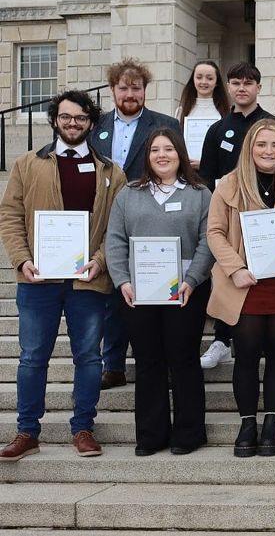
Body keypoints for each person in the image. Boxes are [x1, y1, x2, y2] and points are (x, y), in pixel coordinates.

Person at [0, 90, 124, 461]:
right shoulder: (27, 164)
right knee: (33, 357)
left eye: (81, 118)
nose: (73, 124)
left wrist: (101, 261)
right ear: (55, 119)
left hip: (88, 280)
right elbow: (10, 217)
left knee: (88, 357)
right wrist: (22, 260)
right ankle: (27, 432)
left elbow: (116, 228)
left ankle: (83, 427)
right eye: (67, 117)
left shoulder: (110, 171)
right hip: (38, 280)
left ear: (91, 123)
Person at [207, 119, 275, 458]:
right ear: (250, 148)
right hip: (246, 284)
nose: (268, 151)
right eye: (261, 145)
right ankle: (247, 423)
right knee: (247, 355)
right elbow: (214, 233)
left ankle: (271, 422)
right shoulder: (228, 185)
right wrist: (235, 268)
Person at [105, 127, 214, 456]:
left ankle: (188, 433)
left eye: (168, 149)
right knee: (148, 361)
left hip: (185, 291)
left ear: (180, 154)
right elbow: (115, 240)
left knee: (183, 360)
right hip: (139, 292)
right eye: (155, 150)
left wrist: (192, 279)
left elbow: (208, 241)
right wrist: (123, 280)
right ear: (147, 157)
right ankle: (151, 435)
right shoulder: (129, 194)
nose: (162, 155)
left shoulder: (199, 194)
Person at [90, 58, 183, 390]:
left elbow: (176, 165)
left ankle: (167, 362)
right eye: (124, 87)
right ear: (113, 89)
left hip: (154, 216)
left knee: (160, 291)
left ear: (145, 90)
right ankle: (112, 364)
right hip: (108, 220)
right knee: (115, 293)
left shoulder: (166, 123)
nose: (130, 93)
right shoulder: (94, 126)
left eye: (136, 87)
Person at [197, 62, 275, 369]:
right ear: (229, 87)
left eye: (248, 83)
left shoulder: (272, 124)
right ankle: (221, 338)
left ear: (259, 87)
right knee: (226, 274)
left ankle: (263, 336)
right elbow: (206, 176)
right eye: (236, 82)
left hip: (267, 218)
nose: (242, 88)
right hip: (230, 217)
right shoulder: (218, 129)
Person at [176, 60, 232, 167]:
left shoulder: (228, 111)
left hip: (216, 174)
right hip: (187, 173)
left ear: (217, 83)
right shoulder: (181, 111)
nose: (204, 82)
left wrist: (205, 163)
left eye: (209, 78)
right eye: (199, 77)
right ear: (193, 80)